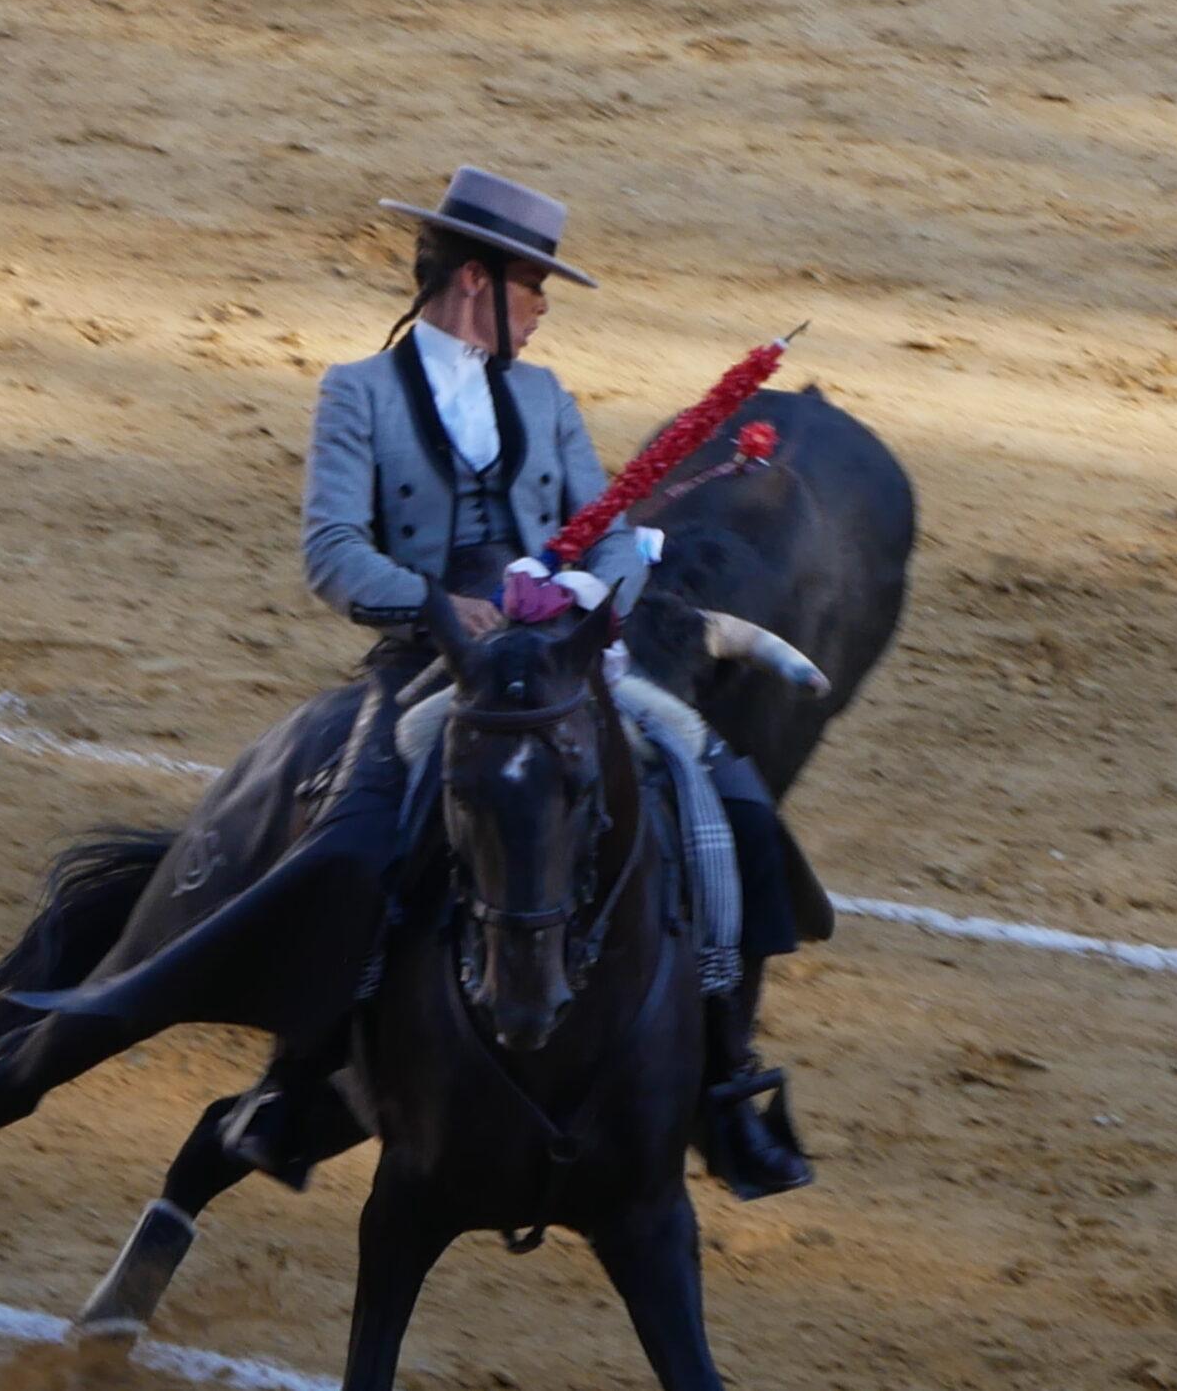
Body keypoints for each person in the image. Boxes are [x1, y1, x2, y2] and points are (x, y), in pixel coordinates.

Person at [218, 164, 812, 1199]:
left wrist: (589, 595)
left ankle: (724, 1082)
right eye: (533, 286)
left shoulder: (543, 396)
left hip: (560, 666)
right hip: (427, 669)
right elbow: (332, 553)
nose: (540, 310)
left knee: (730, 807)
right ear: (474, 282)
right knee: (358, 837)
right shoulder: (357, 392)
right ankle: (299, 1075)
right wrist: (447, 609)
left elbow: (618, 531)